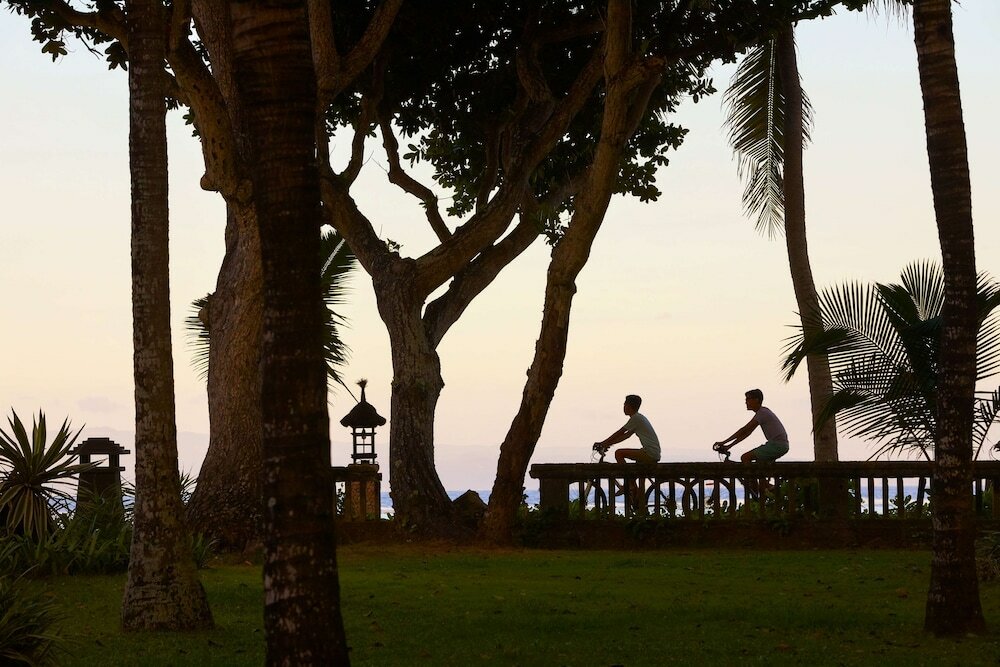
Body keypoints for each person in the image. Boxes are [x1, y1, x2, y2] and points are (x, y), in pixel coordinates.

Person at [594, 394, 660, 512]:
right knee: (640, 478)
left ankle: (629, 484)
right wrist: (608, 444)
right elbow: (625, 436)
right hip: (652, 452)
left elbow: (620, 432)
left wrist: (603, 443)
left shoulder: (636, 418)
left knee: (619, 454)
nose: (623, 407)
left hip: (649, 453)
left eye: (625, 404)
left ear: (629, 406)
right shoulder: (638, 418)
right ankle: (639, 504)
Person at [713, 388, 789, 463]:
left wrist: (724, 442)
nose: (746, 402)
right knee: (758, 465)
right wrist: (729, 446)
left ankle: (749, 475)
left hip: (777, 445)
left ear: (756, 400)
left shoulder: (762, 413)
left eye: (748, 399)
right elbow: (747, 433)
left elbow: (744, 429)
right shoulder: (762, 412)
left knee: (745, 457)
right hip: (779, 445)